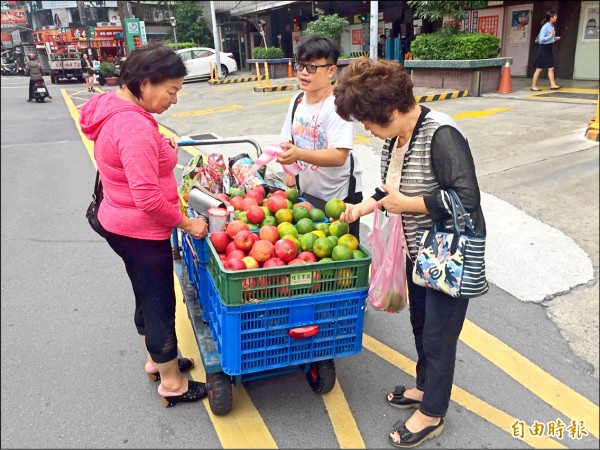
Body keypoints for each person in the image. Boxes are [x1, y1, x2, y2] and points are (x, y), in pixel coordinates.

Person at [333, 57, 487, 448]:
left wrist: (410, 205)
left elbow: (467, 200)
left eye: (367, 120)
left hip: (448, 256)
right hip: (418, 253)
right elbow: (390, 191)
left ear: (388, 108)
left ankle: (432, 413)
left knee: (439, 336)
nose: (366, 128)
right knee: (421, 324)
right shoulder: (397, 138)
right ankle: (424, 387)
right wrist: (362, 208)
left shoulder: (442, 134)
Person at [79, 42, 209, 408]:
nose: (174, 100)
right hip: (139, 229)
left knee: (144, 293)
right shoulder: (132, 126)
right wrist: (187, 224)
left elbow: (158, 158)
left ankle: (157, 360)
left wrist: (162, 148)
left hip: (120, 223)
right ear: (147, 82)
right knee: (158, 303)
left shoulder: (114, 106)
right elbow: (149, 198)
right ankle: (172, 383)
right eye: (172, 91)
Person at [277, 34, 363, 239]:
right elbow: (287, 143)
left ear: (332, 70)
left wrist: (300, 154)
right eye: (301, 65)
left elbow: (339, 156)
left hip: (339, 198)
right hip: (307, 195)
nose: (304, 73)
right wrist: (290, 184)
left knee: (341, 254)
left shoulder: (338, 106)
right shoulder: (297, 100)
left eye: (313, 67)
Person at [531, 10, 561, 91]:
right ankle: (533, 86)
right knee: (539, 68)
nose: (556, 17)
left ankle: (553, 84)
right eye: (555, 16)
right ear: (551, 18)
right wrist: (550, 36)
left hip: (549, 48)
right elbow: (541, 40)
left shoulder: (551, 26)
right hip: (544, 49)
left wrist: (555, 38)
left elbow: (551, 37)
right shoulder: (545, 26)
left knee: (551, 67)